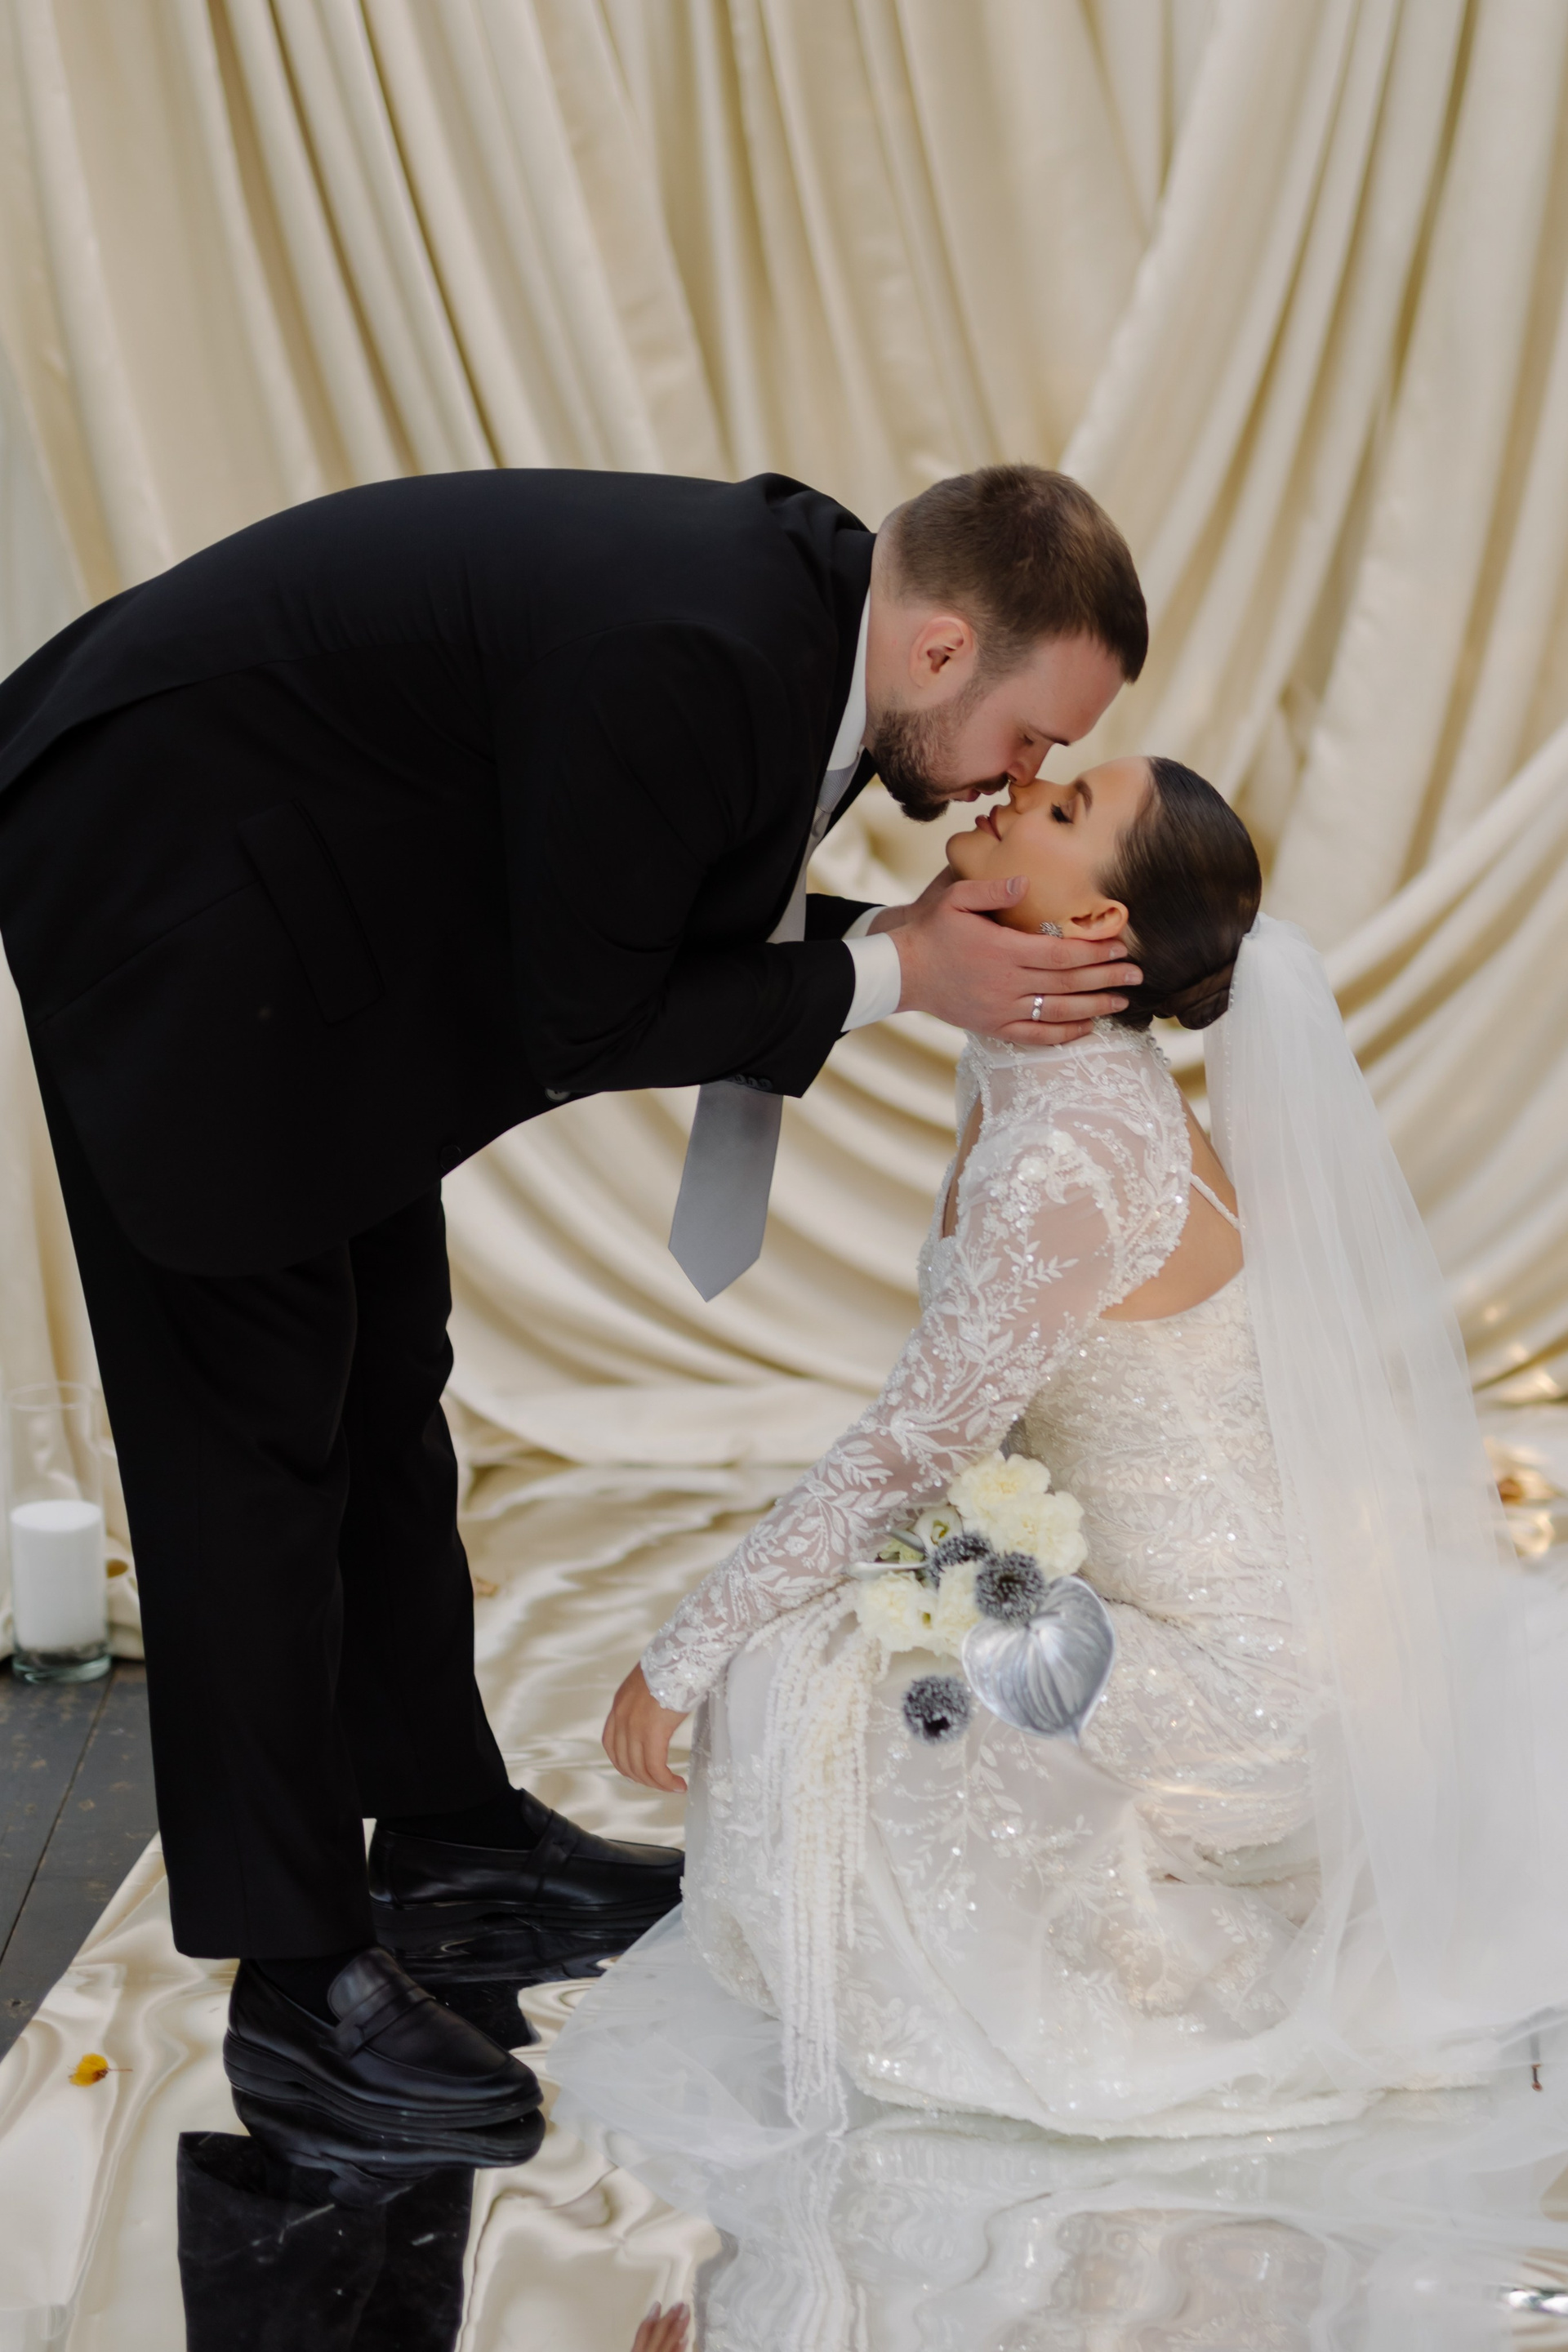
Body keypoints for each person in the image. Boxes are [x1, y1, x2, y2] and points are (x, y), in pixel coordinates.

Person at [0, 462, 1147, 2143]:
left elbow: (642, 887)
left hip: (331, 899)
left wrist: (891, 938)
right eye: (1032, 738)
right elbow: (588, 1016)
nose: (1024, 778)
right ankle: (297, 1984)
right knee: (245, 1447)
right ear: (941, 648)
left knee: (383, 1379)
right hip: (175, 879)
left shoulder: (816, 634)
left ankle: (448, 1835)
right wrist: (902, 970)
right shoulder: (705, 652)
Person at [577, 752, 1568, 2149]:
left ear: (1098, 927)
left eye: (1057, 812)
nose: (1009, 795)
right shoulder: (1041, 1058)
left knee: (814, 1678)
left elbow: (910, 1450)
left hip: (1238, 1691)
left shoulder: (1074, 1154)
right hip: (1158, 1604)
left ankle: (1158, 1920)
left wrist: (681, 1654)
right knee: (846, 1635)